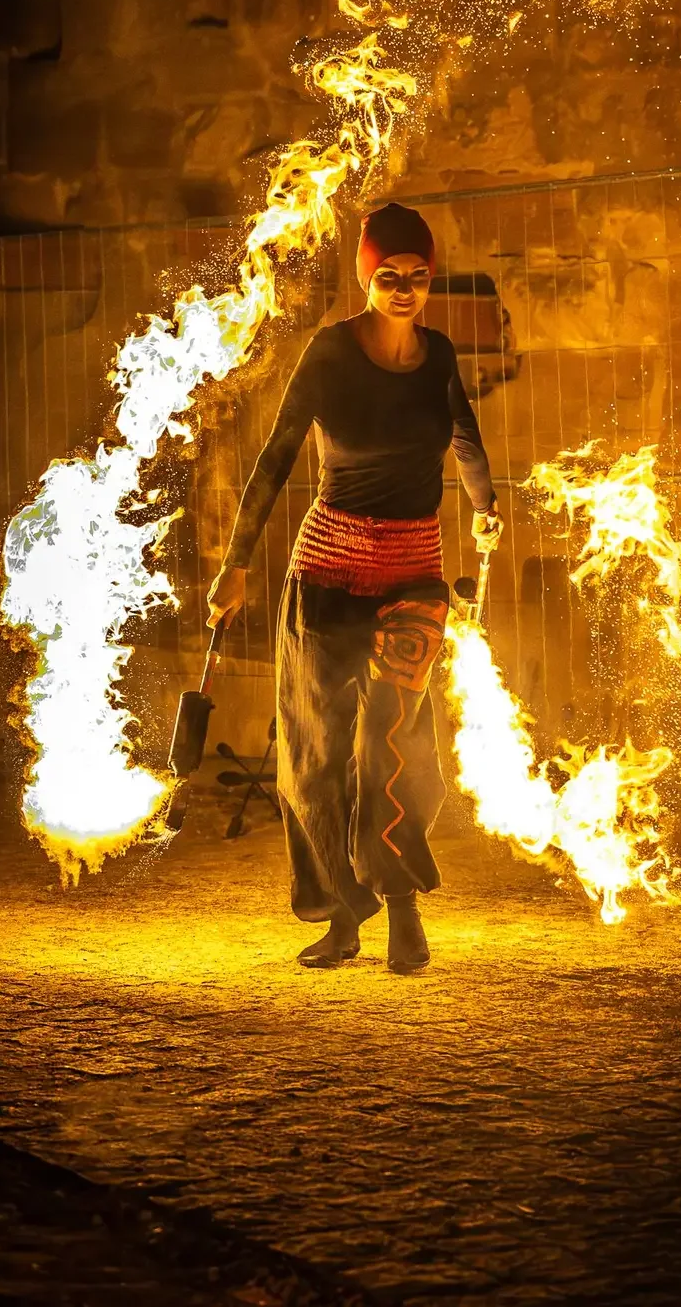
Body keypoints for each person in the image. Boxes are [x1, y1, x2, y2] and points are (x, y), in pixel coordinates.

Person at [207, 203, 502, 973]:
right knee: (315, 753)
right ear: (367, 279)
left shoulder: (436, 356)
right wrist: (237, 562)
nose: (404, 288)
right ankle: (342, 916)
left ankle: (403, 908)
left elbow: (463, 432)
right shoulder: (331, 354)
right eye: (388, 276)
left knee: (399, 748)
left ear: (428, 281)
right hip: (329, 579)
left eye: (418, 277)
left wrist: (488, 504)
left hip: (412, 577)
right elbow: (275, 454)